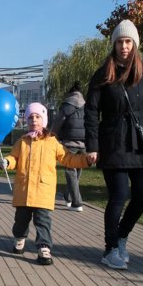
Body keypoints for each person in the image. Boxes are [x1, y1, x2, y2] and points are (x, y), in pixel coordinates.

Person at [84, 20, 143, 270]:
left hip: (140, 146)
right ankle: (110, 249)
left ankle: (121, 236)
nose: (124, 46)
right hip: (112, 144)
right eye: (120, 41)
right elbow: (91, 112)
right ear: (114, 44)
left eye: (128, 41)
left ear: (135, 45)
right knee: (119, 196)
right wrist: (92, 145)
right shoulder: (103, 74)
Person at [0, 102, 92, 265]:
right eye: (30, 117)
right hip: (23, 190)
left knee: (43, 221)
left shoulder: (52, 142)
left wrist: (85, 159)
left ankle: (44, 247)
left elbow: (68, 158)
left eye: (37, 117)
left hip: (43, 191)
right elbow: (14, 157)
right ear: (26, 121)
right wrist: (7, 162)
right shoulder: (22, 141)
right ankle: (20, 238)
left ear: (44, 120)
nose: (34, 120)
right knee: (21, 220)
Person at [51, 82, 86, 212]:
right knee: (77, 171)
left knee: (70, 172)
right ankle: (68, 197)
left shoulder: (67, 105)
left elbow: (58, 122)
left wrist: (52, 135)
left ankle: (77, 203)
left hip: (70, 143)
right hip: (83, 143)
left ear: (70, 93)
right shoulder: (86, 106)